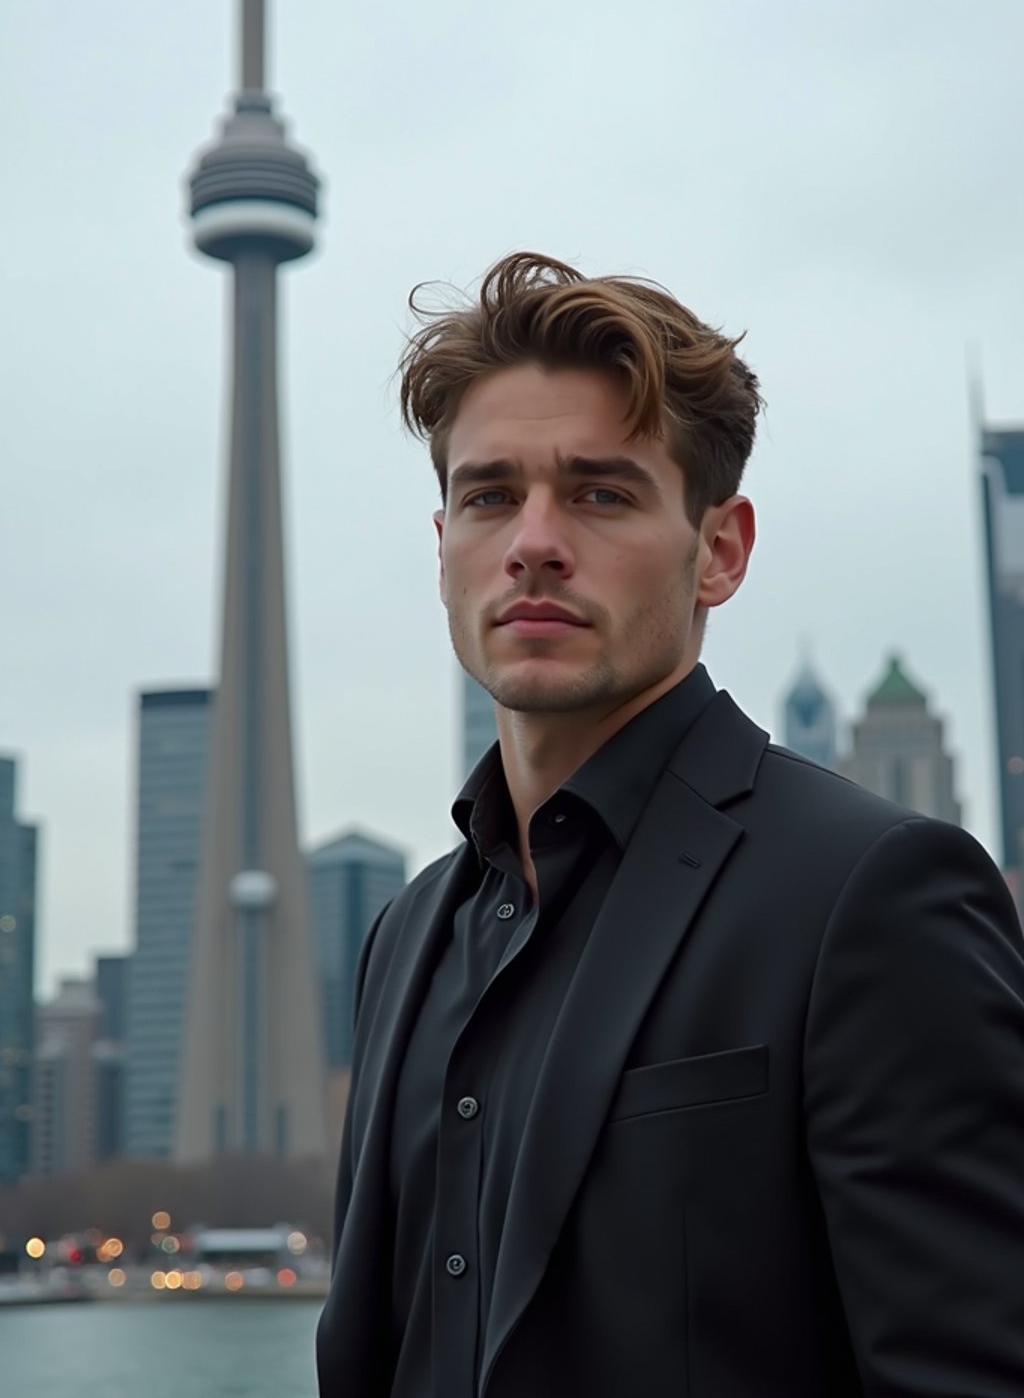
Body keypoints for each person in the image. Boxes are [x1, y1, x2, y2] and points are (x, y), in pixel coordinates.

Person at [316, 252, 1024, 1397]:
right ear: (441, 542)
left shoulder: (869, 893)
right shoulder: (404, 936)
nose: (533, 541)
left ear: (722, 550)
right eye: (491, 495)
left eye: (600, 493)